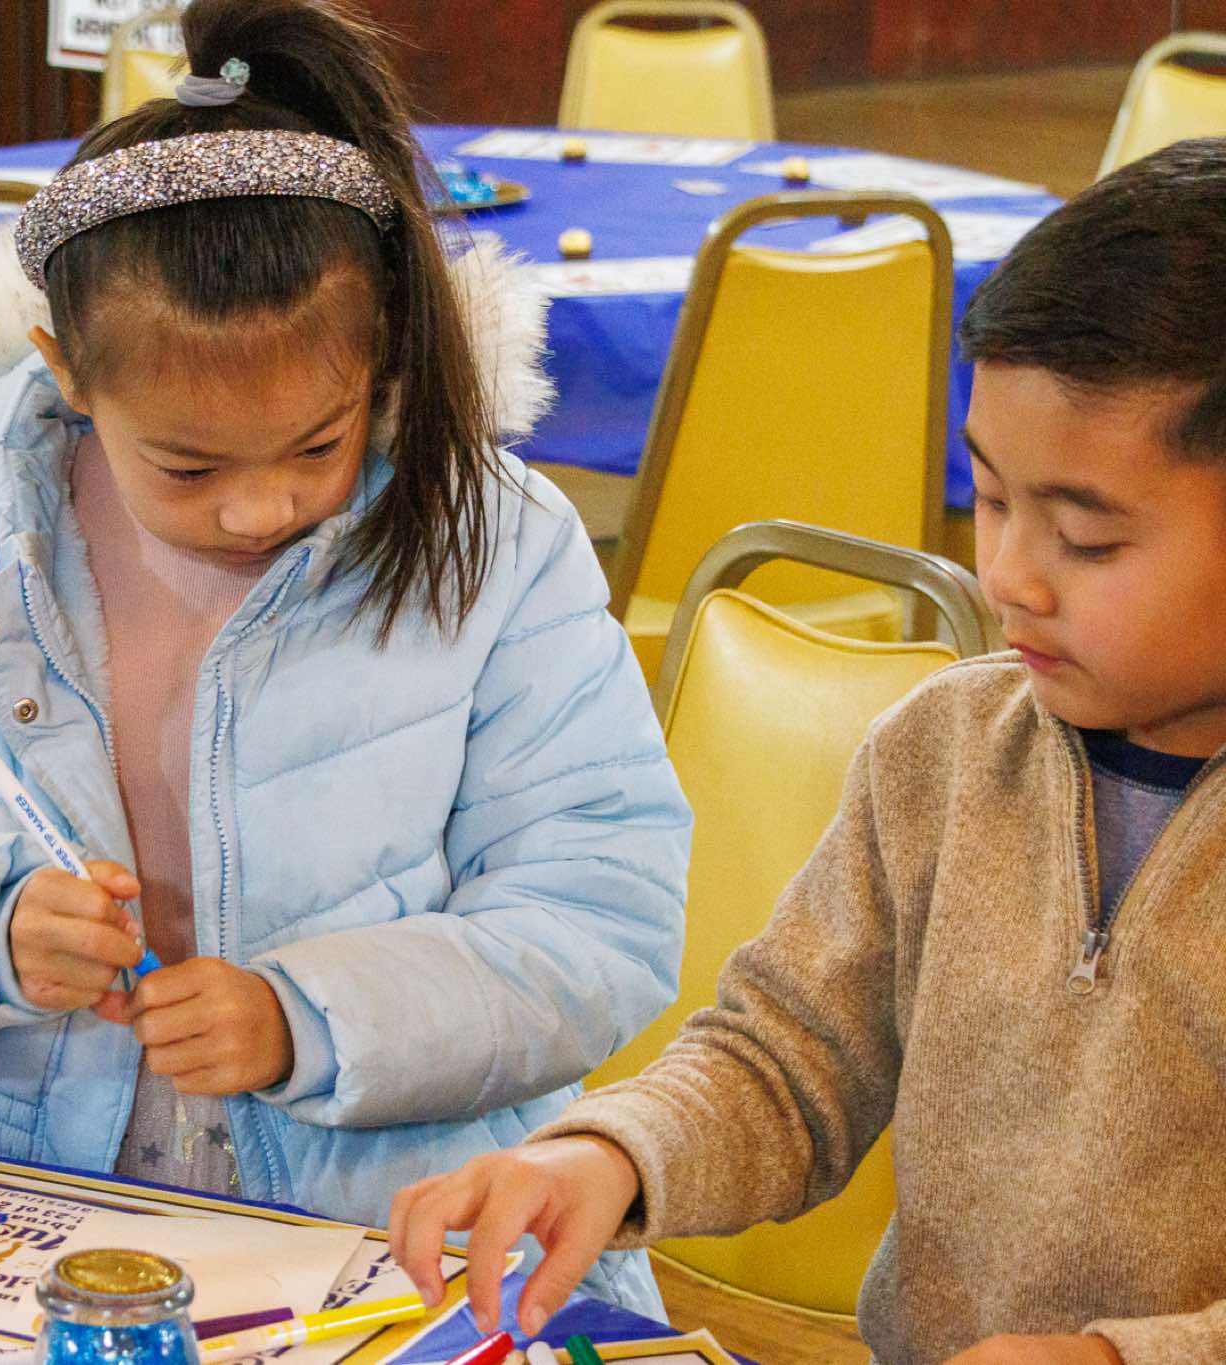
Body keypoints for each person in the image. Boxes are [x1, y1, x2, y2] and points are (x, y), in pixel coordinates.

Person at [0, 0, 691, 1317]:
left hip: (407, 1237)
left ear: (380, 358)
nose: (258, 509)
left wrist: (306, 1019)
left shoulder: (493, 544)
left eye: (317, 444)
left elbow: (603, 920)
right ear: (66, 371)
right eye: (187, 466)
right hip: (28, 1236)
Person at [388, 137, 1226, 1365]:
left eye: (1085, 541)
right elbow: (787, 1061)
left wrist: (1122, 1358)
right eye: (991, 500)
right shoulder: (943, 754)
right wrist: (611, 1156)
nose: (1008, 576)